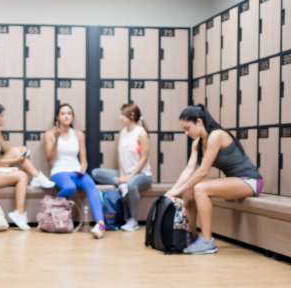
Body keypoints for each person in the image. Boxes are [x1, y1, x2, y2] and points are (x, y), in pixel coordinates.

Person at [165, 104, 263, 254]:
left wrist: (178, 189)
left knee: (200, 188)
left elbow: (203, 171)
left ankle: (207, 241)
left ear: (198, 122)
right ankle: (191, 235)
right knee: (189, 191)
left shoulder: (216, 135)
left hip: (250, 181)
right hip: (234, 182)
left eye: (187, 128)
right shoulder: (197, 142)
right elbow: (189, 169)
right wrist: (173, 190)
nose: (186, 133)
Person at [0, 101, 55, 230]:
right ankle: (20, 210)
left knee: (18, 151)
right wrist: (16, 158)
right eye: (2, 116)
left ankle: (35, 180)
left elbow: (7, 150)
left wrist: (20, 152)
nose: (4, 118)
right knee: (22, 175)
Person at [44, 103, 106, 239]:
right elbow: (49, 159)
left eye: (69, 113)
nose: (66, 116)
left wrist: (83, 169)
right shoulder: (50, 134)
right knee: (70, 187)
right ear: (58, 117)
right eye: (63, 113)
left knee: (91, 185)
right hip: (59, 171)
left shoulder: (78, 134)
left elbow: (84, 160)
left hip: (76, 171)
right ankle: (53, 208)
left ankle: (100, 225)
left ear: (72, 117)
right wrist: (56, 139)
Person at [91, 103, 153, 232]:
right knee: (96, 173)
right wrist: (121, 176)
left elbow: (144, 158)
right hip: (124, 174)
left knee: (131, 185)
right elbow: (120, 157)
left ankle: (133, 220)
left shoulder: (141, 133)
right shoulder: (123, 132)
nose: (119, 117)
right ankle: (121, 185)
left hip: (142, 175)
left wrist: (129, 177)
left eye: (122, 114)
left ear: (131, 115)